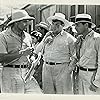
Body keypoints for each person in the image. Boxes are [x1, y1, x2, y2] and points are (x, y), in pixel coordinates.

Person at [0, 10, 42, 93]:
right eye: (24, 22)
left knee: (38, 94)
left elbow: (31, 52)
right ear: (16, 22)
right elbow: (1, 58)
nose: (27, 24)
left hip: (27, 73)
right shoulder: (3, 36)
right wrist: (22, 53)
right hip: (11, 73)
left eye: (27, 21)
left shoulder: (27, 36)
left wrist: (33, 59)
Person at [35, 13, 76, 94]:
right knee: (48, 93)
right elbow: (37, 51)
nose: (54, 27)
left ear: (62, 25)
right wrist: (44, 40)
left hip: (62, 68)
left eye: (57, 24)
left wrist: (69, 69)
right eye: (53, 24)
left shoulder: (69, 38)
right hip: (47, 68)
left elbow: (75, 55)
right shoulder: (47, 36)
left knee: (62, 94)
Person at [74, 13, 100, 94]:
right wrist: (77, 48)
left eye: (78, 25)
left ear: (86, 25)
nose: (75, 28)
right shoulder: (80, 39)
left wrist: (96, 82)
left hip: (92, 76)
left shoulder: (97, 38)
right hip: (80, 75)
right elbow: (79, 58)